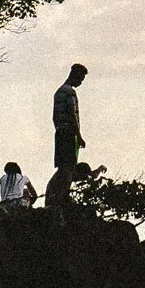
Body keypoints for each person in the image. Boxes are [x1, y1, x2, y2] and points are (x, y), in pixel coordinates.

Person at [49, 64, 87, 206]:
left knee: (62, 166)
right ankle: (63, 196)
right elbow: (72, 114)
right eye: (81, 78)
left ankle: (58, 195)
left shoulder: (58, 92)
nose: (81, 82)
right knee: (69, 167)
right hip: (68, 133)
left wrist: (59, 129)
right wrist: (79, 135)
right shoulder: (70, 92)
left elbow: (54, 116)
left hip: (59, 132)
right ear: (75, 75)